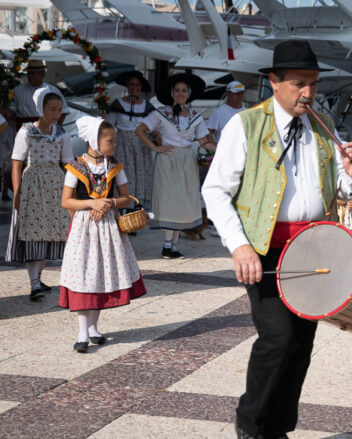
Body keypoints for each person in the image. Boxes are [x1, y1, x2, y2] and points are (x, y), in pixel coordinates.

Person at [202, 40, 352, 439]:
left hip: (314, 250)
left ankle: (279, 431)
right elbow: (215, 191)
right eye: (298, 84)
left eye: (312, 84)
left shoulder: (323, 127)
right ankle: (250, 425)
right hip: (266, 251)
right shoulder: (246, 125)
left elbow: (339, 197)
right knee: (278, 338)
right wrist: (238, 246)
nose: (307, 93)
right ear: (274, 82)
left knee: (302, 345)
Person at [60, 116, 146, 352]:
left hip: (107, 228)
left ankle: (94, 327)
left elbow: (127, 197)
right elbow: (66, 201)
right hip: (84, 228)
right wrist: (91, 204)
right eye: (110, 140)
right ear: (94, 141)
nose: (114, 144)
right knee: (83, 274)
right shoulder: (76, 167)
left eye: (114, 140)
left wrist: (109, 202)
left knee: (99, 274)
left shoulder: (114, 166)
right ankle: (81, 332)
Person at [135, 73, 216, 259]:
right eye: (177, 90)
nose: (180, 93)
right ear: (172, 93)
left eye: (184, 90)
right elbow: (140, 130)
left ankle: (173, 245)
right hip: (168, 159)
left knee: (183, 200)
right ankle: (167, 244)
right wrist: (155, 147)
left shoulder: (195, 116)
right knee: (170, 200)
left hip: (187, 160)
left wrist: (220, 149)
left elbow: (204, 141)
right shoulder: (161, 113)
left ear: (189, 94)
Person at [5, 86, 72, 300]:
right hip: (32, 183)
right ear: (41, 109)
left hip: (55, 185)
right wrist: (18, 192)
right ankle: (34, 283)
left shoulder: (62, 134)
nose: (56, 113)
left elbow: (69, 165)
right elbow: (17, 163)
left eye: (59, 109)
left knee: (49, 232)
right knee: (33, 231)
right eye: (52, 109)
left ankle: (38, 277)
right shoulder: (26, 131)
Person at [106, 70, 156, 206]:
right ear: (127, 86)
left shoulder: (147, 106)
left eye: (137, 85)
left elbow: (153, 127)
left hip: (141, 144)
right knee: (124, 174)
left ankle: (139, 206)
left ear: (141, 88)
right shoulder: (118, 104)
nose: (134, 88)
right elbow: (109, 124)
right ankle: (124, 205)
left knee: (141, 174)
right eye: (132, 85)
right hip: (122, 143)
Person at [9, 60, 69, 131]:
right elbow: (11, 110)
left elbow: (64, 110)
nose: (30, 76)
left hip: (47, 128)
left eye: (33, 74)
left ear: (42, 75)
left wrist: (57, 128)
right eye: (29, 73)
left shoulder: (52, 90)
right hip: (25, 127)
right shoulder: (17, 90)